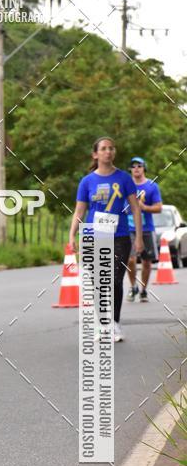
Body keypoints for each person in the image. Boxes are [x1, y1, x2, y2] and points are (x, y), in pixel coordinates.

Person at [68, 136, 143, 342]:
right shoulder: (87, 181)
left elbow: (135, 208)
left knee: (115, 280)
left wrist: (138, 237)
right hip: (94, 235)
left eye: (111, 148)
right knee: (98, 282)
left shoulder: (124, 178)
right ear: (96, 154)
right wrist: (71, 235)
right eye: (103, 148)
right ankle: (103, 325)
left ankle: (115, 324)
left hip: (119, 235)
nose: (108, 151)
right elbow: (79, 211)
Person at [125, 157, 162, 302]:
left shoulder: (152, 186)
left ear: (144, 168)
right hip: (129, 228)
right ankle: (133, 287)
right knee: (130, 260)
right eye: (133, 166)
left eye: (139, 165)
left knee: (147, 262)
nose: (136, 168)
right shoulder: (125, 185)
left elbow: (159, 207)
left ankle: (143, 290)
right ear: (130, 169)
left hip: (147, 229)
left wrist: (145, 207)